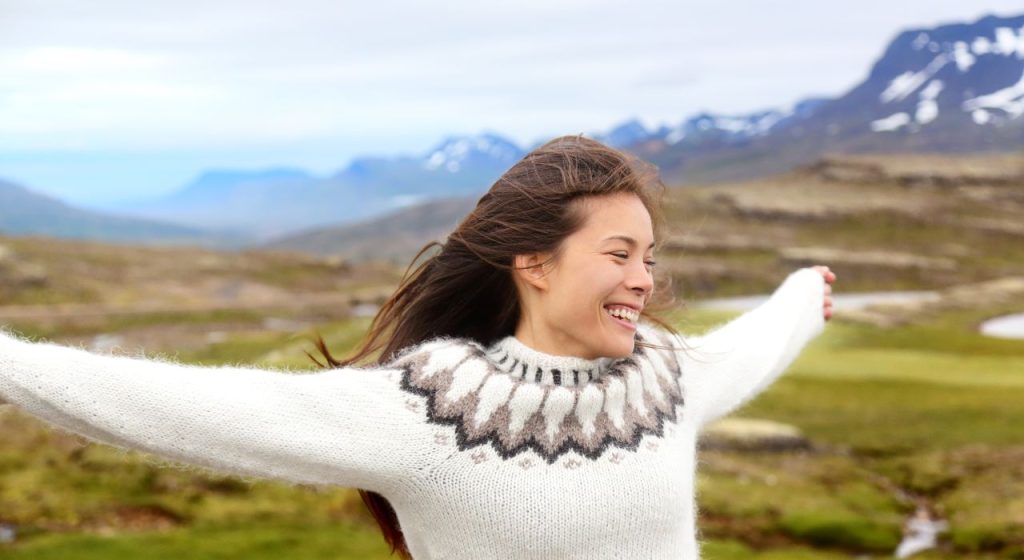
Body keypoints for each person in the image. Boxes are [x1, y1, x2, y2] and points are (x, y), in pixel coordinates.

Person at [0, 134, 836, 559]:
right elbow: (193, 409)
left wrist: (802, 297)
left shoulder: (667, 377)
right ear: (534, 263)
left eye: (648, 258)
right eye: (618, 254)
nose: (643, 280)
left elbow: (751, 347)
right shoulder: (432, 411)